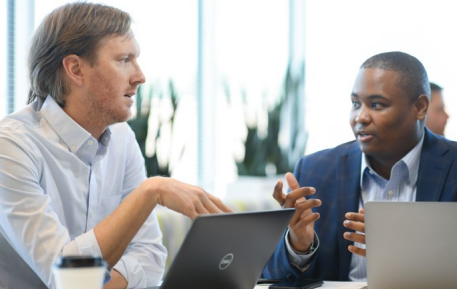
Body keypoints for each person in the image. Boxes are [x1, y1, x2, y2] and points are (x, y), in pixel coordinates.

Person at [0, 3, 232, 289]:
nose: (140, 76)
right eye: (124, 60)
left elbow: (150, 255)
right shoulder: (10, 146)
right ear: (75, 69)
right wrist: (151, 191)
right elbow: (67, 276)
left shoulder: (122, 138)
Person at [262, 51, 457, 281]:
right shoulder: (316, 170)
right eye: (356, 104)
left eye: (376, 104)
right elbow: (270, 277)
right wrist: (298, 246)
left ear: (420, 107)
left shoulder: (451, 165)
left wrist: (410, 253)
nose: (360, 117)